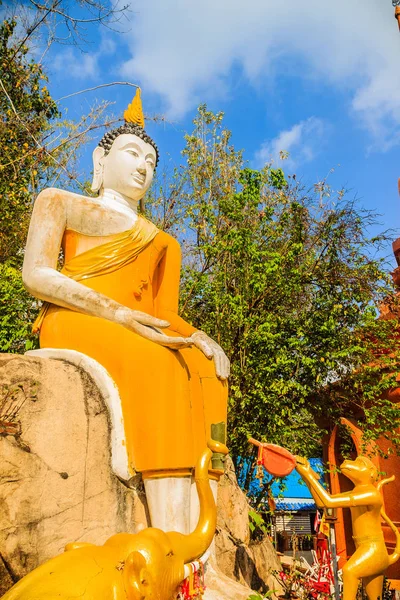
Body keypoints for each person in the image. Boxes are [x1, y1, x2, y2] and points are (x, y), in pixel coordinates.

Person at [22, 88, 229, 533]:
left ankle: (204, 518)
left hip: (138, 325)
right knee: (161, 365)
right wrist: (114, 312)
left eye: (151, 162)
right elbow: (36, 275)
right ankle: (170, 536)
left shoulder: (161, 241)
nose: (142, 166)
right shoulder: (60, 202)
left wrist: (200, 338)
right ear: (100, 160)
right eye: (132, 153)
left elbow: (164, 313)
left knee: (203, 368)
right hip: (75, 319)